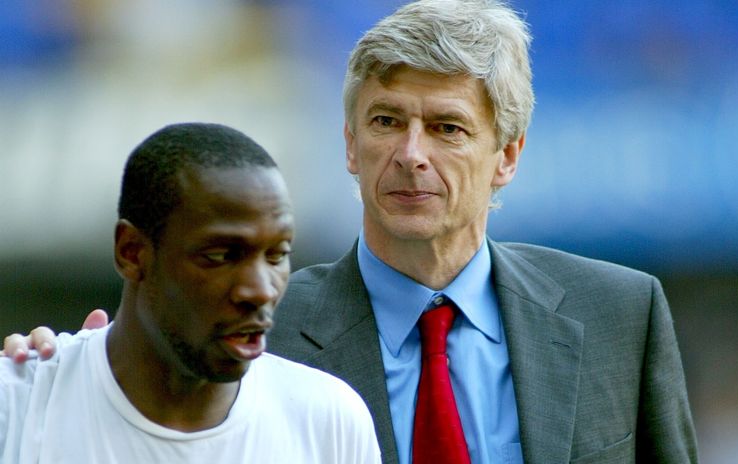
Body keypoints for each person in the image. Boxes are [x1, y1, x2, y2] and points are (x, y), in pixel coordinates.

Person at [4, 1, 697, 463]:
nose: (411, 154)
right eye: (386, 121)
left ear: (507, 156)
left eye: (447, 128)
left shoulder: (617, 314)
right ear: (349, 143)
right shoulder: (249, 328)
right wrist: (48, 369)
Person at [0, 123, 381, 463]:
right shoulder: (17, 405)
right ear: (131, 252)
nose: (260, 290)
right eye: (219, 256)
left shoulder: (328, 420)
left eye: (277, 255)